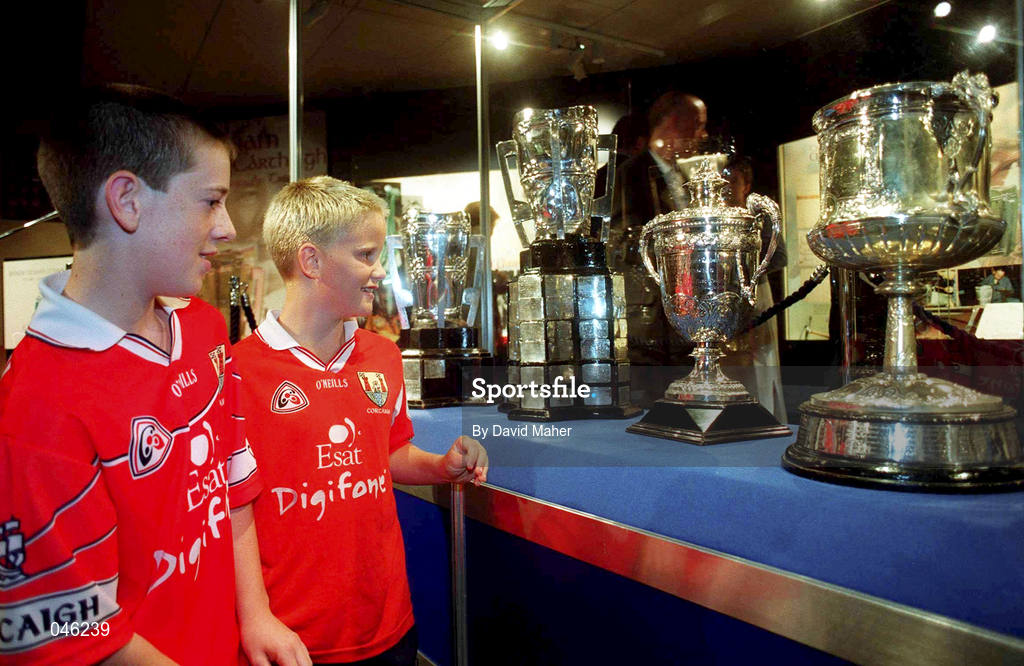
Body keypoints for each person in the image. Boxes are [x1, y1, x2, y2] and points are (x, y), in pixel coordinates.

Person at [0, 84, 307, 665]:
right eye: (210, 201)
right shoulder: (36, 407)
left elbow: (230, 483)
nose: (229, 227)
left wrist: (255, 614)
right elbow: (71, 632)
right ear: (127, 200)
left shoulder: (206, 328)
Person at [235, 176, 488, 665]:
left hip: (390, 624)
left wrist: (441, 466)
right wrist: (255, 616)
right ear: (311, 261)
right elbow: (229, 507)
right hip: (293, 639)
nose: (378, 272)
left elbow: (387, 454)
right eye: (366, 255)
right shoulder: (238, 371)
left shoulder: (382, 356)